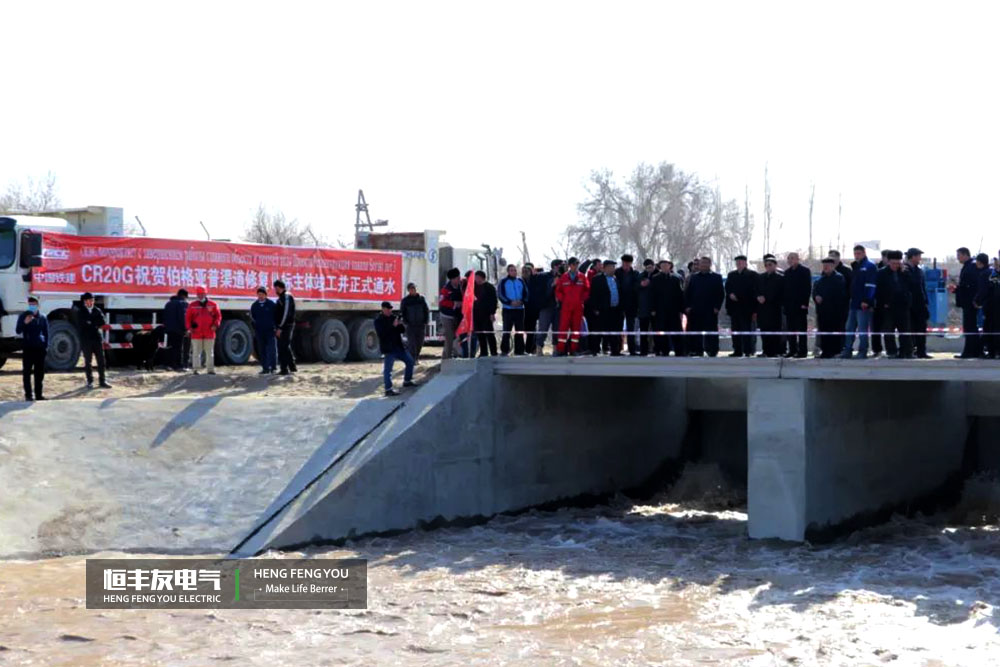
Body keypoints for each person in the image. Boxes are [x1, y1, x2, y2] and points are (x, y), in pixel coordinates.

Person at [841, 245, 878, 359]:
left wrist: (867, 300)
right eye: (855, 253)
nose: (857, 255)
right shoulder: (856, 266)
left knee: (862, 328)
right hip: (854, 303)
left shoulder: (870, 266)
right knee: (849, 327)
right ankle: (847, 350)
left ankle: (863, 351)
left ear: (864, 253)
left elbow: (871, 285)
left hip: (863, 304)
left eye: (859, 253)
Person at [374, 301, 417, 396]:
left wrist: (400, 324)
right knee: (388, 370)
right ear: (383, 309)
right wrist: (393, 326)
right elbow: (382, 334)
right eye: (388, 309)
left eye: (390, 309)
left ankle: (407, 380)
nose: (390, 311)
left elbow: (402, 330)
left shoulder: (393, 317)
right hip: (389, 348)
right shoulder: (379, 321)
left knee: (410, 361)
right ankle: (388, 389)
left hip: (398, 346)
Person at [684, 257, 725, 357]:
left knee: (711, 331)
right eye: (702, 263)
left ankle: (712, 350)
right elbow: (687, 293)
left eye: (706, 263)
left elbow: (720, 294)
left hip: (710, 310)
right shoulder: (694, 277)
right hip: (695, 309)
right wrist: (688, 306)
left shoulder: (716, 277)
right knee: (695, 331)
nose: (703, 265)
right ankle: (697, 350)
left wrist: (717, 307)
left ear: (710, 264)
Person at [875, 250, 913, 358]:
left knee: (905, 330)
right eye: (893, 263)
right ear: (888, 262)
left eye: (898, 263)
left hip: (902, 306)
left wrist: (904, 272)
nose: (895, 266)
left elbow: (911, 286)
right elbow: (878, 291)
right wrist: (884, 303)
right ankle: (891, 352)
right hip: (888, 307)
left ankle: (906, 352)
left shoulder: (905, 272)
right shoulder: (881, 273)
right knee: (888, 330)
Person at [554, 257, 590, 356]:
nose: (576, 266)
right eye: (574, 264)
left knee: (576, 330)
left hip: (578, 307)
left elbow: (587, 290)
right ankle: (560, 350)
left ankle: (573, 350)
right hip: (566, 307)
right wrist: (564, 300)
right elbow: (558, 291)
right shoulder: (564, 277)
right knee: (563, 329)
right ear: (570, 265)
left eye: (577, 264)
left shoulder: (582, 277)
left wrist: (581, 299)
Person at [813, 258, 848, 358]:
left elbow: (839, 294)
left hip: (835, 311)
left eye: (827, 265)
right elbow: (815, 291)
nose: (825, 267)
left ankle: (835, 351)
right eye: (824, 265)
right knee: (824, 332)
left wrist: (824, 297)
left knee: (835, 332)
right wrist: (816, 297)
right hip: (822, 311)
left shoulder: (839, 278)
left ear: (833, 266)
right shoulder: (820, 280)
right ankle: (825, 351)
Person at [75, 292, 110, 388]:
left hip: (97, 338)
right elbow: (82, 325)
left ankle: (102, 380)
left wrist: (91, 323)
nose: (91, 302)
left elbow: (102, 322)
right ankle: (90, 381)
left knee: (101, 360)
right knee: (88, 361)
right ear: (85, 301)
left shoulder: (97, 310)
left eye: (92, 300)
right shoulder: (81, 312)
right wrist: (93, 323)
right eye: (89, 300)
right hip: (86, 339)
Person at [16, 296, 48, 401]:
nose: (32, 306)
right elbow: (18, 330)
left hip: (40, 349)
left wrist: (46, 347)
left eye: (34, 304)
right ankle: (28, 395)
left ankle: (39, 395)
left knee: (39, 373)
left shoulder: (42, 317)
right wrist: (25, 322)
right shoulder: (23, 316)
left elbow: (46, 333)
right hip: (28, 348)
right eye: (30, 304)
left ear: (38, 305)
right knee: (27, 373)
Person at [725, 255, 758, 357]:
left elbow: (754, 292)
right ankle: (737, 350)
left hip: (747, 308)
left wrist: (755, 310)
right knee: (735, 330)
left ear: (745, 263)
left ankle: (748, 350)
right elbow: (728, 288)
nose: (739, 264)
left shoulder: (753, 275)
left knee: (747, 330)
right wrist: (730, 294)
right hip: (734, 308)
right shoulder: (731, 275)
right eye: (737, 262)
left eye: (741, 262)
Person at [589, 259, 623, 355]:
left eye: (614, 267)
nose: (613, 269)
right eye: (611, 267)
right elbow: (593, 295)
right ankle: (595, 350)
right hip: (602, 310)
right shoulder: (597, 279)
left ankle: (615, 350)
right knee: (599, 330)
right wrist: (595, 309)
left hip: (615, 310)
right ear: (605, 268)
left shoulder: (615, 279)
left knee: (614, 331)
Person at [185, 285, 221, 374]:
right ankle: (196, 369)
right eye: (199, 294)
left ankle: (210, 369)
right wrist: (189, 328)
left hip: (209, 332)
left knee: (209, 352)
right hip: (196, 333)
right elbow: (187, 318)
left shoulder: (213, 304)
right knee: (196, 352)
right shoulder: (192, 305)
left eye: (202, 294)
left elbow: (218, 316)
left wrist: (215, 325)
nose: (200, 296)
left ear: (206, 293)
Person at [782, 252, 812, 358]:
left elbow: (807, 288)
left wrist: (805, 303)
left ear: (798, 259)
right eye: (789, 258)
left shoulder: (805, 271)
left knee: (801, 330)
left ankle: (802, 351)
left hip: (800, 306)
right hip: (789, 306)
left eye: (792, 258)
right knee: (791, 330)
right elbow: (785, 290)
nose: (790, 260)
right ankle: (792, 350)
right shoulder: (787, 273)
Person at [652, 259, 685, 356]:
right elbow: (652, 295)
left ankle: (679, 351)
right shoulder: (655, 278)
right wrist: (653, 309)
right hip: (660, 310)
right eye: (662, 265)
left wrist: (681, 309)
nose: (664, 267)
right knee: (662, 331)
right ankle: (664, 350)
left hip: (673, 310)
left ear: (670, 266)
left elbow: (680, 294)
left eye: (666, 265)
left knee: (676, 330)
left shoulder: (676, 278)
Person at [955, 247, 982, 359]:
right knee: (970, 327)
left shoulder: (971, 267)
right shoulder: (968, 266)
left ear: (965, 255)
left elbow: (970, 285)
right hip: (968, 301)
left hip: (970, 302)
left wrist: (959, 288)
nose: (957, 258)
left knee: (970, 327)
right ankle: (974, 350)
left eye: (959, 255)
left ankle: (969, 351)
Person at [497, 264, 529, 356]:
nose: (513, 272)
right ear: (508, 272)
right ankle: (504, 351)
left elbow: (526, 293)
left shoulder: (520, 281)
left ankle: (520, 351)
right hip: (508, 310)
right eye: (511, 270)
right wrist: (510, 302)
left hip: (519, 309)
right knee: (506, 330)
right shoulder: (503, 282)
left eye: (515, 270)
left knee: (519, 331)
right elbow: (500, 295)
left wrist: (521, 301)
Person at [756, 256, 785, 357]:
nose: (768, 267)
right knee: (764, 330)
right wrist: (758, 297)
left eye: (770, 265)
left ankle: (775, 351)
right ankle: (765, 351)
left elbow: (780, 293)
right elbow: (756, 290)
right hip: (763, 309)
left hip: (775, 308)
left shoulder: (780, 278)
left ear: (775, 265)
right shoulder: (760, 277)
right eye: (766, 265)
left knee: (775, 330)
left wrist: (767, 298)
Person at [532, 259, 562, 355]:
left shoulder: (564, 276)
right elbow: (540, 291)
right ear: (555, 266)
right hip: (546, 306)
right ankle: (539, 348)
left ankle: (556, 348)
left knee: (557, 329)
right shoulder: (543, 276)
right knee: (543, 328)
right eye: (561, 266)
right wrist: (552, 284)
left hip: (559, 307)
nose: (563, 268)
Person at [904, 248, 931, 359]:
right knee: (910, 329)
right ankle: (910, 351)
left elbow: (922, 287)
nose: (920, 258)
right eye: (918, 256)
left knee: (921, 328)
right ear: (913, 257)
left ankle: (921, 351)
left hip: (920, 304)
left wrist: (925, 302)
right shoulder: (905, 270)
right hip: (909, 305)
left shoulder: (919, 271)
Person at [615, 254, 641, 355]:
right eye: (624, 263)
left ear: (630, 264)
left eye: (627, 263)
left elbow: (637, 287)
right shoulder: (617, 272)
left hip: (631, 304)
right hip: (619, 304)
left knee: (631, 328)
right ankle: (617, 349)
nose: (625, 265)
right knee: (618, 327)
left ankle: (632, 349)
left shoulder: (635, 274)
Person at [400, 282, 430, 360]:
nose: (413, 290)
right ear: (409, 290)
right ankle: (413, 359)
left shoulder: (421, 299)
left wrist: (426, 321)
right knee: (412, 343)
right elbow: (402, 312)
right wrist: (405, 322)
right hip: (410, 326)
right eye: (411, 289)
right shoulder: (405, 301)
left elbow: (426, 310)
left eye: (414, 288)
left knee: (419, 343)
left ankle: (416, 357)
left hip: (420, 325)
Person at [250, 287, 277, 374]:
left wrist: (275, 327)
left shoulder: (271, 304)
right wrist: (256, 328)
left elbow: (276, 317)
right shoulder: (255, 306)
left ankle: (273, 367)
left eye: (262, 294)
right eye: (259, 294)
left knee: (271, 349)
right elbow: (253, 318)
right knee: (262, 350)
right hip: (259, 331)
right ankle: (265, 368)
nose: (260, 296)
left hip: (270, 331)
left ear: (265, 295)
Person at [273, 279, 297, 374]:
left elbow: (286, 314)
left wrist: (280, 328)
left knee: (282, 347)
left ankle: (284, 369)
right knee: (285, 346)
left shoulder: (286, 297)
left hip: (286, 326)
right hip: (283, 326)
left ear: (280, 287)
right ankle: (292, 367)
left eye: (276, 288)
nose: (275, 290)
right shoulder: (281, 297)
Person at [439, 268, 463, 359]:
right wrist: (454, 303)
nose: (459, 279)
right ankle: (446, 358)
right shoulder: (446, 289)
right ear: (452, 279)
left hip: (457, 315)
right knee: (449, 338)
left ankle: (456, 355)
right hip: (446, 316)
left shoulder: (461, 286)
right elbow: (441, 302)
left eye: (459, 277)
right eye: (457, 278)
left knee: (459, 336)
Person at [473, 270, 498, 357]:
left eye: (477, 278)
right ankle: (483, 352)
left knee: (489, 334)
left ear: (482, 278)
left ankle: (494, 352)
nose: (476, 279)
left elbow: (494, 301)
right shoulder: (474, 287)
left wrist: (492, 313)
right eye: (475, 278)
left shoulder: (489, 287)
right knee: (480, 334)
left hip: (487, 314)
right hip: (476, 314)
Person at [871, 249, 891, 357]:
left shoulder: (894, 270)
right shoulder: (876, 269)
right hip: (877, 303)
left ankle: (890, 349)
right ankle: (876, 349)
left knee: (889, 327)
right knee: (876, 327)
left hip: (890, 304)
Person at [163, 288, 189, 371]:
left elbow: (164, 316)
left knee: (170, 346)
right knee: (178, 348)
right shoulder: (182, 304)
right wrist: (185, 329)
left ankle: (169, 365)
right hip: (178, 330)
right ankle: (178, 366)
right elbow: (182, 318)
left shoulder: (168, 304)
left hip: (169, 329)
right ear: (184, 296)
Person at [636, 259, 658, 356]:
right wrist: (641, 285)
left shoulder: (658, 276)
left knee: (656, 331)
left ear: (654, 266)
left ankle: (658, 349)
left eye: (650, 267)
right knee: (643, 331)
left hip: (655, 309)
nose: (649, 269)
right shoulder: (641, 276)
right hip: (643, 308)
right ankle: (643, 350)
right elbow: (635, 288)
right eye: (647, 268)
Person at [520, 263, 539, 354]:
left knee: (532, 329)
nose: (525, 273)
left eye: (527, 271)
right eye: (523, 271)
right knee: (524, 329)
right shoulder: (520, 281)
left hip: (533, 308)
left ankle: (531, 348)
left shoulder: (535, 281)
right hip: (523, 308)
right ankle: (523, 349)